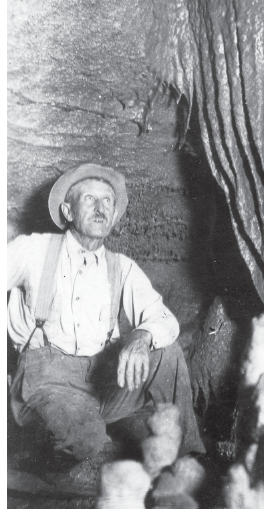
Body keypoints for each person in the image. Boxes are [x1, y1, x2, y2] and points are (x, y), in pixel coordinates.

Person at [8, 163, 205, 491]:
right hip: (47, 382)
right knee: (85, 441)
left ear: (114, 217)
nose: (100, 209)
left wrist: (141, 336)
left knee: (166, 352)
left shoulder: (122, 267)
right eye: (89, 199)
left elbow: (163, 319)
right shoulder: (33, 250)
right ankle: (62, 457)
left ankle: (188, 461)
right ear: (68, 210)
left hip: (103, 381)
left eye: (108, 202)